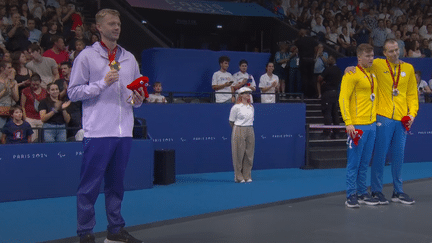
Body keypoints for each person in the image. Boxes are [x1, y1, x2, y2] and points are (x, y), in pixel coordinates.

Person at [67, 9, 145, 243]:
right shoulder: (86, 57)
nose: (117, 27)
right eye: (111, 23)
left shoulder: (129, 58)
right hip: (99, 132)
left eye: (118, 23)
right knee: (89, 187)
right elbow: (73, 92)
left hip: (123, 132)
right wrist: (101, 84)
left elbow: (132, 96)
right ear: (98, 27)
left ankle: (115, 230)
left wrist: (137, 99)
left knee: (116, 186)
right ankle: (85, 233)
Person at [345, 39, 419, 205]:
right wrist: (348, 68)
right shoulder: (377, 64)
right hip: (383, 117)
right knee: (380, 155)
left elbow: (412, 95)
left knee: (399, 155)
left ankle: (398, 191)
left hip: (402, 120)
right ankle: (377, 190)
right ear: (384, 53)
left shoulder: (408, 68)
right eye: (390, 51)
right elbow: (360, 67)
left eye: (396, 50)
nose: (394, 53)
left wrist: (411, 115)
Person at [339, 44, 379, 208]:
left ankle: (362, 193)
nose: (371, 59)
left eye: (372, 56)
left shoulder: (373, 74)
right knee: (354, 162)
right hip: (357, 126)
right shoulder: (351, 74)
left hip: (371, 125)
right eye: (368, 56)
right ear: (359, 58)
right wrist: (348, 123)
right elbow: (343, 99)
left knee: (364, 162)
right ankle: (351, 194)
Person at [229, 87, 255, 183]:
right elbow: (231, 121)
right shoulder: (236, 107)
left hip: (250, 129)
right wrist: (238, 129)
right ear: (240, 95)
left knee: (249, 153)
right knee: (238, 153)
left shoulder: (251, 107)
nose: (248, 94)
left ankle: (247, 175)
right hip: (239, 128)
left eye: (249, 93)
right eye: (246, 93)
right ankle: (238, 176)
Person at [318, 55, 342, 139]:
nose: (328, 60)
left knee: (327, 112)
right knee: (335, 113)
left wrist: (324, 82)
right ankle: (336, 133)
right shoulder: (339, 70)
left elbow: (319, 78)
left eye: (330, 58)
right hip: (335, 93)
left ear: (333, 60)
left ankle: (327, 132)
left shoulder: (328, 69)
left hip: (327, 93)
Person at [21, 73, 46, 142]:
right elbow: (22, 106)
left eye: (37, 85)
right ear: (30, 82)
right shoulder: (25, 91)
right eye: (33, 84)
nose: (35, 86)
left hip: (41, 118)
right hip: (29, 118)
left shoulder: (45, 91)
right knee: (32, 139)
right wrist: (25, 118)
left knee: (41, 139)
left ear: (40, 82)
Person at [0, 60, 19, 136]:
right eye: (9, 67)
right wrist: (4, 89)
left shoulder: (13, 82)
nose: (11, 69)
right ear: (2, 68)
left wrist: (11, 88)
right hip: (1, 108)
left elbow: (17, 99)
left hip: (11, 109)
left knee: (11, 133)